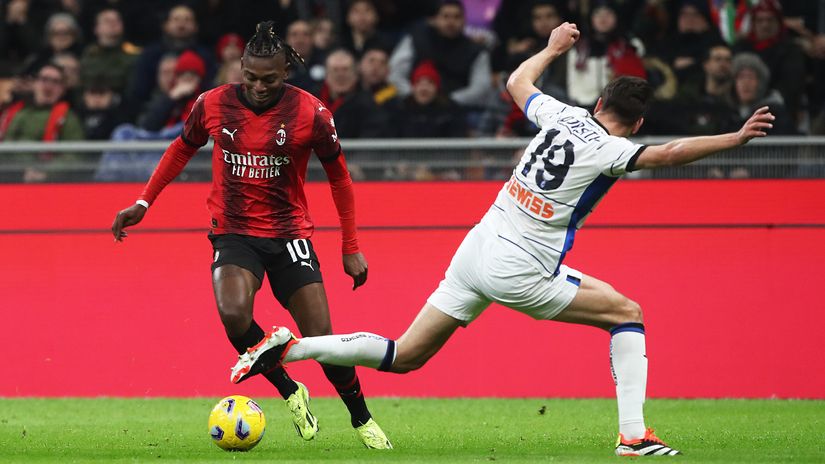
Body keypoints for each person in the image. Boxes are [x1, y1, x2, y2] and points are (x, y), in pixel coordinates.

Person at [230, 22, 775, 456]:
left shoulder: (560, 115)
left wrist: (552, 48)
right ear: (635, 125)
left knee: (406, 354)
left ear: (598, 103)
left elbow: (516, 82)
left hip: (477, 245)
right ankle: (633, 437)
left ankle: (291, 347)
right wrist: (735, 138)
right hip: (520, 267)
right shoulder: (613, 149)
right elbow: (670, 153)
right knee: (627, 313)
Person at [110, 21, 392, 450]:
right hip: (234, 232)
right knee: (234, 315)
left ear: (286, 73)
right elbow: (181, 148)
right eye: (251, 77)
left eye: (269, 79)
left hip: (289, 233)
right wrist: (143, 202)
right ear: (240, 69)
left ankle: (361, 417)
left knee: (323, 340)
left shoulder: (311, 113)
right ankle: (290, 391)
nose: (259, 87)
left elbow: (340, 178)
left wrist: (350, 246)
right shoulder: (212, 103)